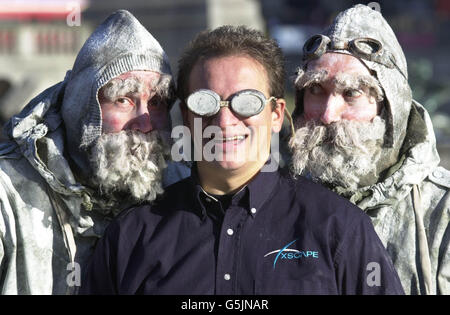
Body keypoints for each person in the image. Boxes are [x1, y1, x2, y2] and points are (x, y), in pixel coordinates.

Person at [80, 25, 404, 295]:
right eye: (206, 102)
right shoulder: (131, 236)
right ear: (187, 116)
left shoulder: (339, 229)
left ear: (276, 115)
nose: (224, 121)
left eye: (246, 102)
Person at [0, 10, 185, 294]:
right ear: (81, 109)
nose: (146, 123)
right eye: (123, 100)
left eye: (158, 102)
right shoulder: (7, 194)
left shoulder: (182, 191)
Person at [289, 4, 450, 295]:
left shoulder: (443, 211)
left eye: (351, 93)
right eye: (315, 90)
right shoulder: (275, 205)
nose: (328, 115)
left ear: (392, 109)